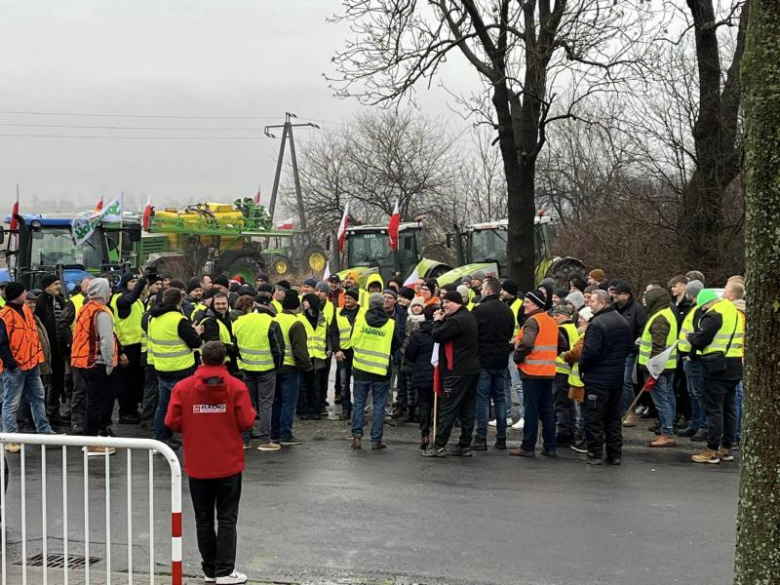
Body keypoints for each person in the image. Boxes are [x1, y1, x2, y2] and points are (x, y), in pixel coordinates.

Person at [165, 341, 255, 585]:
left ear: (201, 359)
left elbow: (171, 421)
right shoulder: (236, 387)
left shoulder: (183, 388)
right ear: (224, 360)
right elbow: (247, 421)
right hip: (228, 461)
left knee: (203, 519)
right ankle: (225, 570)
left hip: (198, 462)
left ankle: (210, 569)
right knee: (227, 518)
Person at [688, 288, 743, 464]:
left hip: (717, 367)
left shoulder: (714, 314)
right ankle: (726, 448)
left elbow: (700, 340)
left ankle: (711, 450)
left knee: (714, 409)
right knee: (729, 408)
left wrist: (690, 336)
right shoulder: (733, 311)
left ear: (706, 303)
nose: (703, 309)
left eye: (702, 307)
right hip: (735, 364)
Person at [422, 291, 480, 458]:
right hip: (471, 369)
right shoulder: (468, 316)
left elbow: (437, 335)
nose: (444, 305)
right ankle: (464, 445)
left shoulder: (456, 320)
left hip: (456, 371)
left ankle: (439, 445)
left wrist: (437, 321)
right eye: (443, 302)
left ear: (458, 302)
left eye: (448, 302)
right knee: (467, 409)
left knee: (448, 408)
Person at [577, 290, 632, 464]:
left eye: (592, 301)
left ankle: (595, 453)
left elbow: (590, 352)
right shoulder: (622, 321)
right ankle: (615, 454)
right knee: (613, 418)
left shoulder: (597, 324)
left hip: (597, 379)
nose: (589, 304)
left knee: (594, 418)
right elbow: (628, 347)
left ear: (602, 303)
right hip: (616, 379)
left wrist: (582, 367)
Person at [0, 282, 55, 453]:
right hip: (16, 367)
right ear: (17, 294)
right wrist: (11, 364)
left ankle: (44, 431)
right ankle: (10, 438)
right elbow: (2, 343)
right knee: (11, 402)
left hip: (31, 363)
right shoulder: (4, 315)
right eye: (24, 292)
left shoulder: (25, 311)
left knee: (37, 397)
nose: (26, 295)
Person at [148, 288, 203, 449]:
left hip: (161, 367)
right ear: (179, 301)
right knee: (186, 407)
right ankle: (190, 438)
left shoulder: (154, 317)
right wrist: (197, 332)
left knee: (163, 406)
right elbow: (195, 342)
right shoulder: (179, 320)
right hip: (181, 369)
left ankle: (162, 437)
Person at [509, 290, 559, 458]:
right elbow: (562, 343)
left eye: (527, 302)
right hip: (548, 372)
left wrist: (517, 357)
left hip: (531, 372)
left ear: (537, 304)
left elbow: (527, 343)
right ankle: (550, 446)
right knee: (547, 411)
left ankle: (528, 446)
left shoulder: (532, 321)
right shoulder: (551, 320)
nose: (524, 304)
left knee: (531, 410)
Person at [71, 278, 118, 456]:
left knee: (91, 401)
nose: (111, 293)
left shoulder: (85, 309)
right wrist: (109, 363)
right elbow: (106, 341)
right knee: (97, 402)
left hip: (84, 362)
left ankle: (90, 439)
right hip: (98, 363)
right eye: (109, 289)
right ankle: (92, 442)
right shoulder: (102, 313)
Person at [232, 292, 284, 451]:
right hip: (267, 369)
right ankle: (265, 440)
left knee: (247, 404)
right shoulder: (270, 322)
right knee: (265, 404)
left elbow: (235, 347)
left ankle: (245, 440)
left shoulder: (238, 323)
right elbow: (278, 349)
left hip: (247, 369)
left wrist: (244, 361)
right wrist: (277, 366)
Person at [350, 292, 398, 450]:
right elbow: (396, 344)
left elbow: (352, 341)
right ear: (383, 304)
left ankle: (357, 437)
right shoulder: (390, 324)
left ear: (369, 304)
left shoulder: (360, 321)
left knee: (359, 403)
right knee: (379, 406)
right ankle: (376, 440)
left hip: (361, 368)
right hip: (381, 370)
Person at [471, 278, 515, 451]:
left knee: (482, 399)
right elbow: (510, 333)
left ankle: (481, 437)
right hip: (501, 359)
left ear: (489, 291)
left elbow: (473, 334)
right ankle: (501, 438)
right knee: (500, 398)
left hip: (483, 359)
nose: (481, 291)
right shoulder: (507, 310)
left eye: (482, 289)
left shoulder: (479, 310)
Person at [639, 288, 680, 447]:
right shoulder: (668, 313)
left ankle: (667, 433)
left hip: (657, 368)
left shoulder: (659, 318)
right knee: (668, 397)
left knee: (661, 401)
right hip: (667, 365)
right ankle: (669, 427)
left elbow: (658, 346)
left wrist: (653, 369)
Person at [271, 291, 310, 446]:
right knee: (289, 402)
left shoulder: (274, 319)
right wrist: (306, 367)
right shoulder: (296, 323)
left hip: (274, 367)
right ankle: (285, 435)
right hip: (290, 367)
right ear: (297, 307)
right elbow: (299, 349)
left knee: (276, 401)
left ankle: (274, 433)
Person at [110, 272, 149, 425]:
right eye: (132, 281)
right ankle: (126, 413)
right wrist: (143, 280)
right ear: (125, 284)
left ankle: (132, 411)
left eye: (136, 281)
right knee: (126, 383)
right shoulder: (121, 298)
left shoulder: (135, 299)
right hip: (126, 346)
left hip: (136, 345)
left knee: (135, 382)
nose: (135, 284)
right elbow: (130, 298)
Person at [59, 275, 94, 434]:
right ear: (83, 286)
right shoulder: (74, 302)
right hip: (79, 352)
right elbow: (63, 323)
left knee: (89, 389)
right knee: (79, 388)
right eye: (89, 286)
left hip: (92, 353)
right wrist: (72, 343)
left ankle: (86, 420)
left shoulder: (100, 305)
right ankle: (76, 421)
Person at [676, 280, 707, 441]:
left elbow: (697, 335)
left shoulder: (698, 310)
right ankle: (696, 424)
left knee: (697, 393)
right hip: (689, 357)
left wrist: (692, 354)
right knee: (693, 393)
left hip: (693, 358)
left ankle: (702, 426)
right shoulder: (695, 309)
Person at [34, 274, 67, 426]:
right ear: (47, 286)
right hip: (48, 350)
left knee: (58, 382)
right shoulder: (41, 302)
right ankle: (43, 415)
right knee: (45, 383)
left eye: (59, 283)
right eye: (56, 284)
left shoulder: (60, 300)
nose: (59, 287)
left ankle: (53, 413)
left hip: (59, 350)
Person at [405, 305, 437, 449]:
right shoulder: (444, 332)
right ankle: (438, 434)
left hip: (422, 372)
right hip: (439, 372)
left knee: (424, 404)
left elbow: (410, 355)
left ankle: (424, 433)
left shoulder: (417, 334)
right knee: (440, 405)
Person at [613, 281, 647, 413]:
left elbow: (641, 330)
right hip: (615, 351)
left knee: (625, 381)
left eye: (618, 293)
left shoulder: (637, 310)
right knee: (618, 381)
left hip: (629, 352)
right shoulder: (613, 308)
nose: (614, 296)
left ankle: (629, 410)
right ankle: (621, 408)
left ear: (626, 295)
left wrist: (633, 348)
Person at [330, 287, 360, 421]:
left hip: (359, 352)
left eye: (350, 298)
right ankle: (346, 409)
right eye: (346, 298)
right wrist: (336, 350)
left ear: (356, 300)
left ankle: (358, 409)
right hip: (344, 352)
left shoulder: (363, 313)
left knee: (359, 383)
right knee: (344, 383)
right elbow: (334, 332)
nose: (347, 300)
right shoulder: (338, 313)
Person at [552, 304, 579, 445]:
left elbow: (560, 350)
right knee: (568, 403)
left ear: (563, 316)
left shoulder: (561, 329)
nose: (554, 318)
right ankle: (570, 430)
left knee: (560, 404)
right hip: (568, 371)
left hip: (560, 371)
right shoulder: (572, 327)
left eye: (556, 315)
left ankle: (563, 433)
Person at [297, 293, 328, 420]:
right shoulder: (300, 318)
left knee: (316, 385)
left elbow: (328, 335)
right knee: (303, 385)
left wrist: (329, 348)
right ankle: (303, 409)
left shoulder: (323, 319)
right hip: (305, 355)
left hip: (318, 356)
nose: (304, 303)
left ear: (313, 302)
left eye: (306, 301)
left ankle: (316, 409)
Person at [499, 279, 524, 429]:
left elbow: (523, 327)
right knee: (504, 385)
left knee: (518, 385)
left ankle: (524, 416)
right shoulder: (504, 304)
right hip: (505, 348)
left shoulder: (520, 305)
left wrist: (515, 341)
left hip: (514, 349)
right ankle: (505, 416)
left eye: (503, 289)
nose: (501, 292)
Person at [198, 291, 238, 374]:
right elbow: (213, 345)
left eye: (223, 304)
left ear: (228, 304)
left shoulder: (227, 318)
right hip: (215, 363)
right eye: (217, 304)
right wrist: (233, 348)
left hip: (227, 361)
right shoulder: (209, 321)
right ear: (213, 305)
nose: (221, 306)